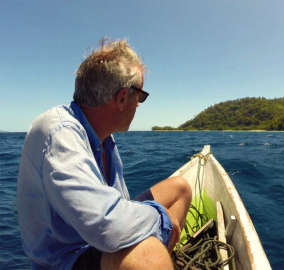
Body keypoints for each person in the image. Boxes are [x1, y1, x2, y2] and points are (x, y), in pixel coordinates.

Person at [16, 38, 192, 270]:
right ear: (121, 98)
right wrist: (163, 219)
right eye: (140, 96)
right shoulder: (60, 132)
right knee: (149, 258)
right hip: (68, 257)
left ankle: (162, 253)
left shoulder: (103, 137)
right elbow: (107, 227)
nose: (139, 105)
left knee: (181, 188)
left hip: (100, 235)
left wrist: (153, 223)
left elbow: (114, 214)